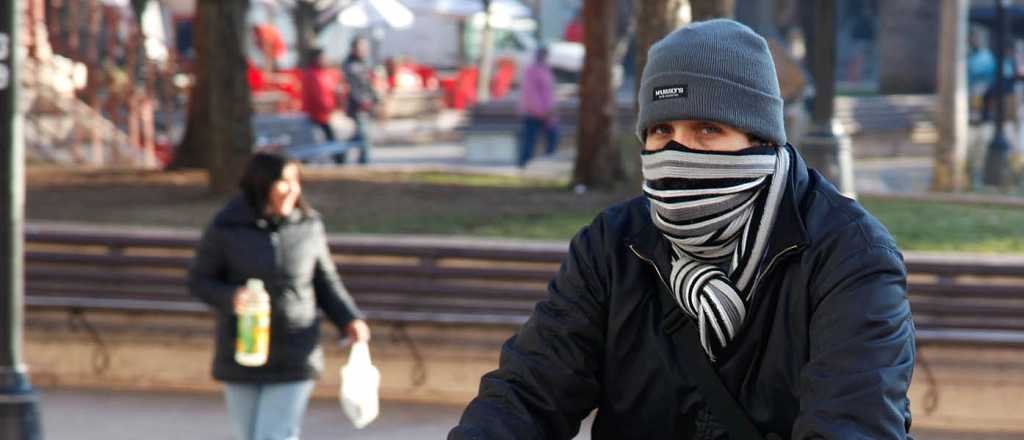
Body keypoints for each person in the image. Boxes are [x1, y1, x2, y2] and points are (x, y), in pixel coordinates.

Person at [450, 20, 915, 439]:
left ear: (762, 140)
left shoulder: (849, 254)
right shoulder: (614, 245)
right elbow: (527, 393)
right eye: (661, 131)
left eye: (707, 130)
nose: (678, 153)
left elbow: (855, 423)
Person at [189, 153, 371, 440]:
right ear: (262, 184)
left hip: (296, 350)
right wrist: (231, 297)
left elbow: (326, 282)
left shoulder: (308, 225)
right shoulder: (226, 226)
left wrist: (350, 318)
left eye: (296, 181)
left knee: (274, 435)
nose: (293, 189)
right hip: (243, 351)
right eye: (284, 182)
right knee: (249, 435)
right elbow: (200, 281)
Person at [517, 47, 559, 168]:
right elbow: (530, 94)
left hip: (548, 114)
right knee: (529, 141)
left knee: (552, 138)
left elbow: (549, 93)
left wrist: (551, 110)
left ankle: (547, 164)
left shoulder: (546, 70)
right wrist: (541, 111)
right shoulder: (531, 71)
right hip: (533, 113)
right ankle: (524, 166)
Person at [341, 36, 379, 165]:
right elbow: (353, 87)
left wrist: (375, 99)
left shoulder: (364, 63)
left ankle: (341, 152)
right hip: (358, 105)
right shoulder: (350, 65)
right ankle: (364, 161)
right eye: (361, 47)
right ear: (354, 48)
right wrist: (362, 102)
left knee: (360, 134)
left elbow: (369, 85)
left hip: (367, 104)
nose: (364, 50)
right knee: (364, 135)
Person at [301, 47, 341, 144]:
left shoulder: (324, 73)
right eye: (322, 57)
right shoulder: (311, 74)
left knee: (330, 137)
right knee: (328, 138)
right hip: (316, 114)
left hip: (325, 113)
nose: (325, 59)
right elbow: (317, 96)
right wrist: (327, 108)